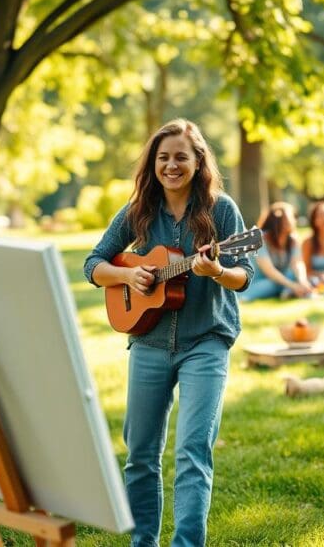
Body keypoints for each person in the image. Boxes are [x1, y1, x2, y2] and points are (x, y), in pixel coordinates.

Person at [83, 119, 254, 546]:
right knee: (140, 455)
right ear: (153, 163)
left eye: (181, 157)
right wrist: (128, 276)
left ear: (198, 161)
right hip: (149, 342)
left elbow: (244, 275)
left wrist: (217, 271)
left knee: (192, 452)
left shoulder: (221, 209)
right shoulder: (138, 210)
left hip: (206, 341)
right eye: (163, 158)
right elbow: (94, 264)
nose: (171, 165)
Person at [241, 202, 313, 301]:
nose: (294, 220)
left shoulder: (292, 240)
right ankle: (288, 291)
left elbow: (297, 263)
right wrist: (293, 286)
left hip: (280, 279)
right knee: (273, 284)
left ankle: (289, 290)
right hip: (258, 282)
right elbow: (269, 270)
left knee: (292, 275)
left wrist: (303, 281)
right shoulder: (258, 238)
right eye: (291, 217)